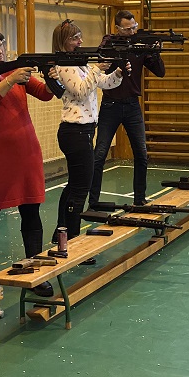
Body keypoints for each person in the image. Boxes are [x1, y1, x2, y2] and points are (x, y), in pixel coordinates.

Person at [0, 26, 60, 303]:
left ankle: (34, 272)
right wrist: (11, 79)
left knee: (31, 212)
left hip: (26, 151)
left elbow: (44, 94)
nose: (0, 52)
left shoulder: (11, 69)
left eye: (1, 45)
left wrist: (52, 79)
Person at [50, 19, 124, 244]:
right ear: (63, 41)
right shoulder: (65, 66)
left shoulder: (79, 64)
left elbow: (105, 83)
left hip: (83, 131)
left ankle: (62, 231)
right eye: (75, 38)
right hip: (75, 131)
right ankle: (72, 238)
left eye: (80, 37)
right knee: (81, 188)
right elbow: (81, 91)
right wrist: (95, 68)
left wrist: (118, 73)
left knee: (75, 185)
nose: (80, 41)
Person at [88, 10, 165, 209]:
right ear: (118, 29)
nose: (132, 32)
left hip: (132, 105)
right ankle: (93, 202)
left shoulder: (140, 45)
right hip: (110, 105)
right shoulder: (109, 42)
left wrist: (154, 52)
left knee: (141, 153)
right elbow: (103, 54)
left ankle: (140, 199)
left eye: (134, 28)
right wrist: (127, 47)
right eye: (127, 29)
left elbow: (160, 72)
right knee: (100, 154)